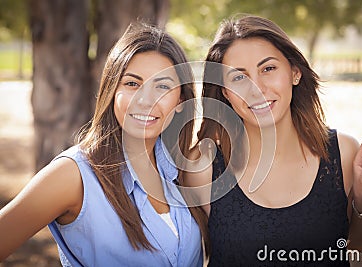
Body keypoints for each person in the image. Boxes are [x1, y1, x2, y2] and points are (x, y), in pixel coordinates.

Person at [0, 23, 209, 266]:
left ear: (181, 99)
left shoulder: (183, 171)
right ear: (111, 91)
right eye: (132, 84)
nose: (145, 100)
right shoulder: (74, 175)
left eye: (162, 87)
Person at [185, 15, 362, 266]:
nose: (256, 88)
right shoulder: (202, 169)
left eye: (268, 69)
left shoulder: (344, 154)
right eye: (238, 78)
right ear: (225, 93)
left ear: (295, 72)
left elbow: (355, 250)